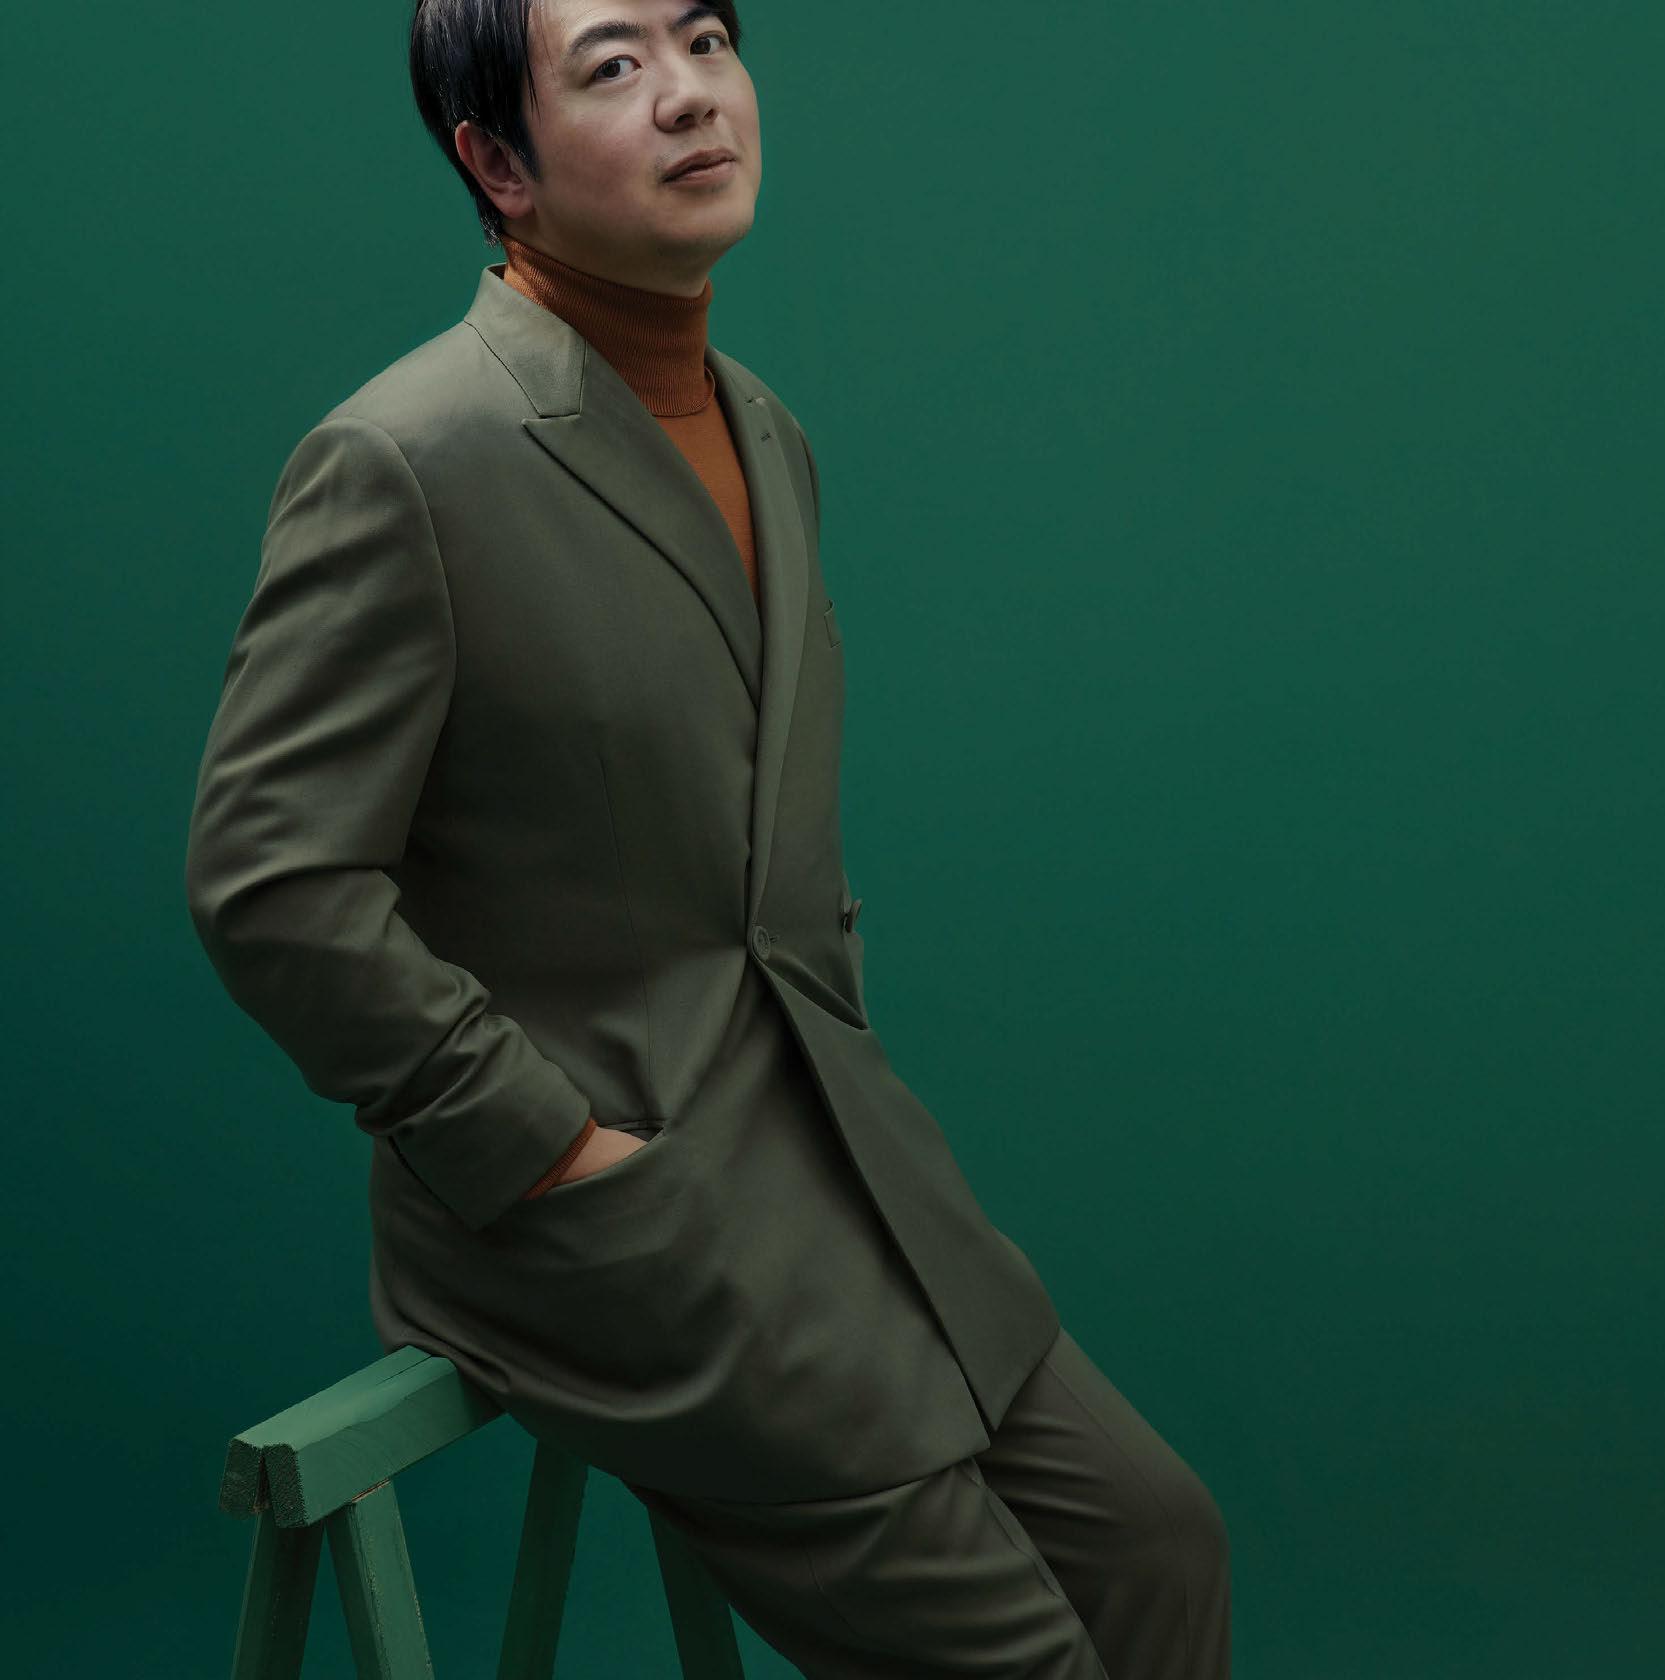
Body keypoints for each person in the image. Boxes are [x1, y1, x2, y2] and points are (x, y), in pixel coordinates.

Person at [184, 1, 1231, 1673]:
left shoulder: (764, 429)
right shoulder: (405, 458)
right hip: (608, 1220)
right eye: (613, 66)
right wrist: (542, 1144)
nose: (688, 95)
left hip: (843, 1170)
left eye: (707, 41)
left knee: (1162, 1543)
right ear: (497, 164)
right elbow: (271, 882)